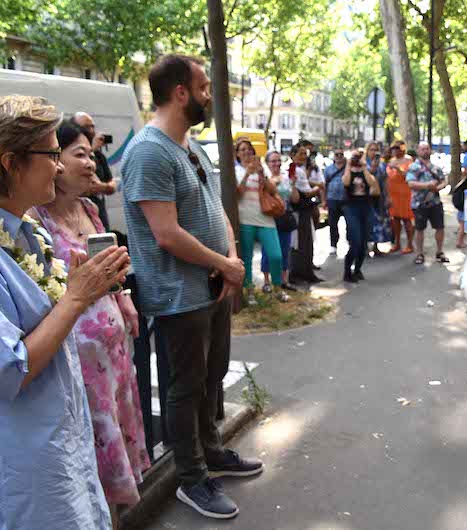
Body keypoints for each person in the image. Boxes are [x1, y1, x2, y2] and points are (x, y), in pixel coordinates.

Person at [120, 54, 262, 520]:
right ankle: (191, 478)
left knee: (211, 375)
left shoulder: (190, 146)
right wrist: (224, 263)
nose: (208, 95)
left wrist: (232, 260)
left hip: (214, 286)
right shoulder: (148, 151)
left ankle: (211, 450)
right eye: (203, 87)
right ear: (181, 92)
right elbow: (166, 233)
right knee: (184, 388)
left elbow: (215, 208)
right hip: (180, 296)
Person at [0, 95, 130, 529]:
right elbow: (9, 369)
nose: (59, 166)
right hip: (29, 464)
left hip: (63, 442)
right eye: (51, 153)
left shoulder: (27, 230)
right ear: (10, 163)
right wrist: (75, 298)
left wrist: (87, 284)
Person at [33, 121, 150, 525]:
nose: (90, 162)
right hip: (80, 364)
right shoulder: (35, 221)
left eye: (89, 153)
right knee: (92, 457)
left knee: (116, 440)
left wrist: (126, 299)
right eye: (78, 154)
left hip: (115, 354)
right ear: (55, 162)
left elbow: (110, 272)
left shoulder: (90, 210)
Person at [234, 138, 288, 303]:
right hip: (245, 219)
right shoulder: (234, 171)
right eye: (242, 150)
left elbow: (272, 190)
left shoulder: (260, 169)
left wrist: (261, 175)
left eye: (249, 149)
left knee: (276, 255)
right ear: (237, 153)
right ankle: (249, 290)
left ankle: (277, 288)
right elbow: (236, 195)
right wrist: (247, 174)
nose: (246, 152)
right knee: (247, 257)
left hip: (265, 218)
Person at [72, 112, 116, 231]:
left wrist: (101, 187)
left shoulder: (100, 156)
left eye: (92, 126)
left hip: (98, 214)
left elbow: (112, 184)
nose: (91, 131)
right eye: (86, 127)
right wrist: (92, 148)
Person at [406, 142, 448, 265]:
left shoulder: (436, 168)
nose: (425, 151)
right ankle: (419, 254)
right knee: (419, 229)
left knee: (440, 227)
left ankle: (440, 252)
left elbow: (444, 181)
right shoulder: (414, 167)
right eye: (423, 149)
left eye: (427, 149)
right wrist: (427, 185)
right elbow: (410, 183)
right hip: (419, 204)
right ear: (418, 151)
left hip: (435, 203)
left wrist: (438, 188)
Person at [342, 150, 380, 282]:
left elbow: (372, 184)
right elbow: (346, 182)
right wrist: (348, 164)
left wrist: (364, 167)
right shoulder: (348, 171)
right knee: (355, 241)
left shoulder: (366, 172)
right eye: (355, 157)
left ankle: (357, 269)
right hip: (351, 208)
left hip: (366, 207)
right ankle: (347, 271)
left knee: (364, 242)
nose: (357, 160)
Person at [288, 142, 323, 284]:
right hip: (301, 210)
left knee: (302, 242)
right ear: (293, 154)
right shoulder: (297, 170)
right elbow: (307, 192)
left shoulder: (297, 169)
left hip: (300, 210)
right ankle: (302, 273)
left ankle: (302, 272)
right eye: (301, 153)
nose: (304, 157)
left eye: (305, 154)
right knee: (303, 242)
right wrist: (317, 189)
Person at [267, 151, 299, 291]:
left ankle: (284, 281)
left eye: (278, 160)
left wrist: (293, 184)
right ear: (267, 163)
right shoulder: (264, 178)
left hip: (285, 217)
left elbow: (295, 199)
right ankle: (267, 282)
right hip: (269, 218)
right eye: (273, 161)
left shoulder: (286, 178)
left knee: (285, 250)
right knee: (269, 251)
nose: (277, 164)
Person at [386, 141, 415, 254]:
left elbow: (409, 175)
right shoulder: (391, 161)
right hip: (393, 194)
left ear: (403, 148)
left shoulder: (409, 160)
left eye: (397, 148)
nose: (395, 150)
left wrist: (398, 168)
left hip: (405, 194)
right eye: (393, 148)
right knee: (395, 220)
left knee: (407, 219)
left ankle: (410, 244)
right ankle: (397, 243)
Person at [365, 141, 391, 256]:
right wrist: (374, 164)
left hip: (380, 197)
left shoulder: (382, 164)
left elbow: (385, 181)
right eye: (371, 149)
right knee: (367, 221)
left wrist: (388, 196)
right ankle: (365, 246)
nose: (374, 152)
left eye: (376, 150)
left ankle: (376, 246)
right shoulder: (363, 163)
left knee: (379, 221)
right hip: (366, 197)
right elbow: (370, 174)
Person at [323, 148, 347, 252]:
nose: (339, 157)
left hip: (346, 198)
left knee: (349, 223)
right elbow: (324, 185)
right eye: (337, 155)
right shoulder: (328, 169)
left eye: (341, 154)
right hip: (332, 198)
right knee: (332, 223)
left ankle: (350, 242)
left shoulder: (348, 168)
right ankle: (333, 244)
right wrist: (324, 200)